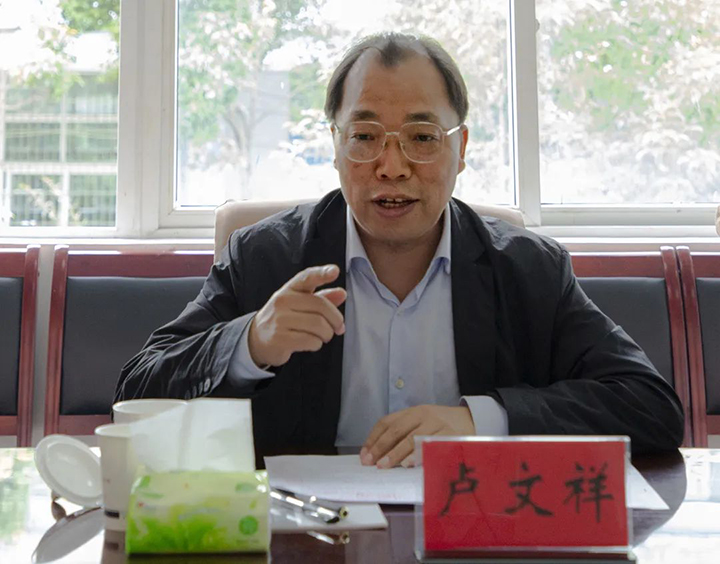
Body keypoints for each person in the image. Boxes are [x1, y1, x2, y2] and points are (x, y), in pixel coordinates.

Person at [115, 32, 684, 467]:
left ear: (461, 148)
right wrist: (251, 342)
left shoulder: (528, 270)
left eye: (421, 138)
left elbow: (649, 406)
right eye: (365, 137)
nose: (391, 167)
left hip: (469, 532)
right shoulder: (265, 259)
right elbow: (138, 388)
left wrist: (479, 421)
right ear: (336, 146)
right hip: (309, 535)